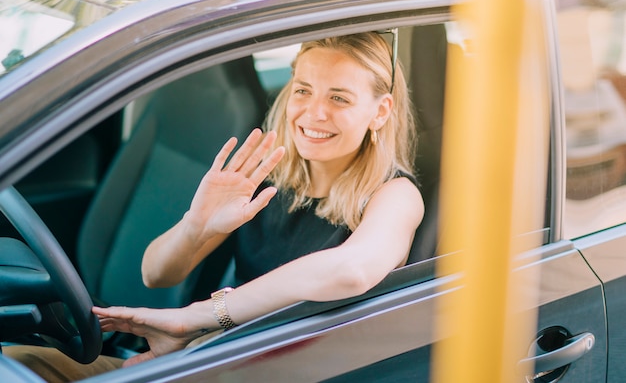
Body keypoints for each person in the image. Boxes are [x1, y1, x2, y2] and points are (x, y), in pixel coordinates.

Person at [5, 32, 424, 381]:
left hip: (276, 371)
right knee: (22, 364)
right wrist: (197, 225)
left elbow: (350, 271)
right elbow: (156, 274)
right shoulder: (267, 176)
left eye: (339, 98)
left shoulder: (394, 194)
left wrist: (198, 318)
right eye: (303, 90)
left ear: (380, 111)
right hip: (214, 357)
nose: (314, 112)